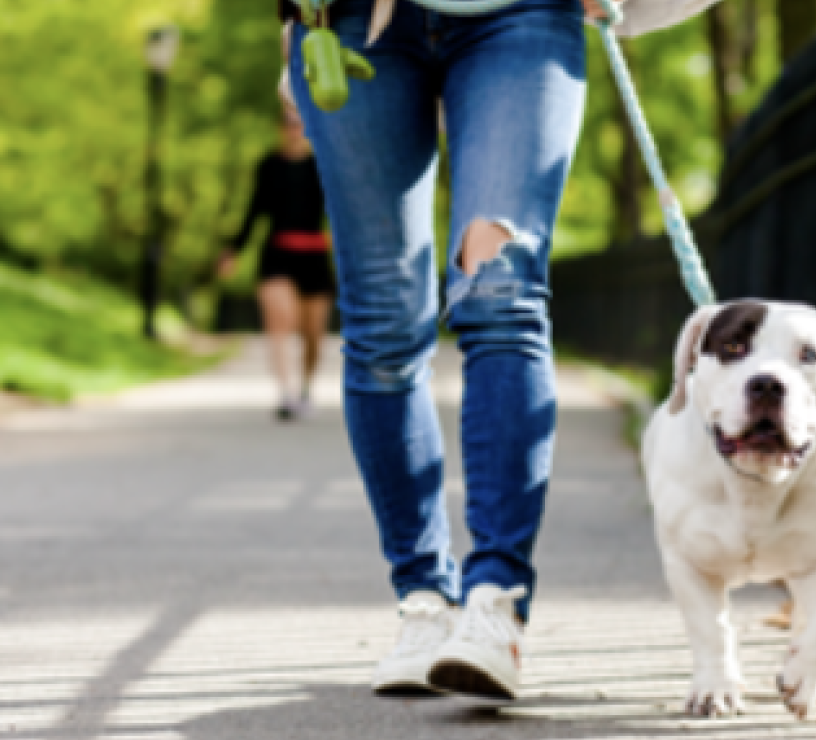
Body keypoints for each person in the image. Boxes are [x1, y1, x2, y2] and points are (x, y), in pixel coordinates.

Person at [275, 0, 718, 705]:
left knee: (501, 295)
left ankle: (495, 601)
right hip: (353, 22)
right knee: (385, 327)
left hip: (518, 16)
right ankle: (422, 600)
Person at [218, 113, 333, 421]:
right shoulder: (268, 165)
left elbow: (339, 210)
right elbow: (254, 210)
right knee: (281, 320)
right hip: (277, 254)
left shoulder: (323, 165)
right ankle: (285, 393)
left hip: (314, 256)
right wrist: (233, 251)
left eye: (299, 124)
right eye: (288, 124)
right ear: (280, 129)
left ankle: (305, 389)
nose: (293, 130)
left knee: (313, 335)